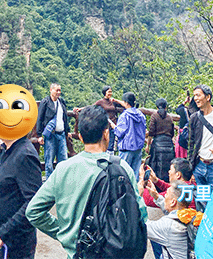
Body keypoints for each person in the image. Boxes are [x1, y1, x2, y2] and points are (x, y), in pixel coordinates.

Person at [26, 105, 147, 259]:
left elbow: (33, 212)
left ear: (81, 137)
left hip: (77, 252)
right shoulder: (121, 167)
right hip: (113, 252)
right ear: (106, 133)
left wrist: (66, 232)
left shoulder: (63, 169)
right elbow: (141, 216)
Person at [0, 123, 42, 259]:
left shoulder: (25, 154)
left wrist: (4, 232)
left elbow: (34, 203)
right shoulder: (8, 151)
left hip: (13, 244)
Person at [138, 180, 201, 259]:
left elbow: (142, 226)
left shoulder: (168, 225)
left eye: (166, 194)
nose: (165, 197)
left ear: (173, 202)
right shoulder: (191, 215)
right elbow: (173, 212)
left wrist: (138, 197)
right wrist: (156, 196)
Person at [36, 83, 70, 180]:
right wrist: (39, 135)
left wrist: (67, 132)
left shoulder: (61, 102)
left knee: (63, 160)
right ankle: (49, 183)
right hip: (50, 136)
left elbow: (65, 118)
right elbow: (40, 118)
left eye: (59, 90)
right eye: (56, 90)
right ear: (51, 90)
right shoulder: (45, 102)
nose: (58, 92)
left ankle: (62, 181)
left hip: (61, 135)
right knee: (49, 161)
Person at [114, 92, 147, 180]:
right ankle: (135, 192)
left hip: (126, 149)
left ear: (126, 103)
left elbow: (119, 132)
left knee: (124, 174)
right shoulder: (141, 115)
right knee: (135, 175)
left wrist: (113, 126)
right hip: (138, 148)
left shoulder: (124, 116)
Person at [147, 98, 175, 182]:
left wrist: (148, 145)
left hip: (157, 144)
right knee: (168, 167)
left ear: (157, 107)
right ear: (166, 107)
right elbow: (172, 132)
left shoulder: (154, 116)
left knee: (156, 166)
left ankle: (157, 186)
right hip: (169, 144)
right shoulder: (170, 117)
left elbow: (151, 132)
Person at [94, 85, 125, 153]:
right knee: (105, 142)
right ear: (105, 92)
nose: (110, 93)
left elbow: (125, 105)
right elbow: (92, 107)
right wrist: (79, 109)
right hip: (105, 125)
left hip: (113, 125)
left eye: (111, 92)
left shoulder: (113, 102)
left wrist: (116, 100)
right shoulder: (101, 102)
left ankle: (110, 158)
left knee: (111, 144)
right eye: (109, 92)